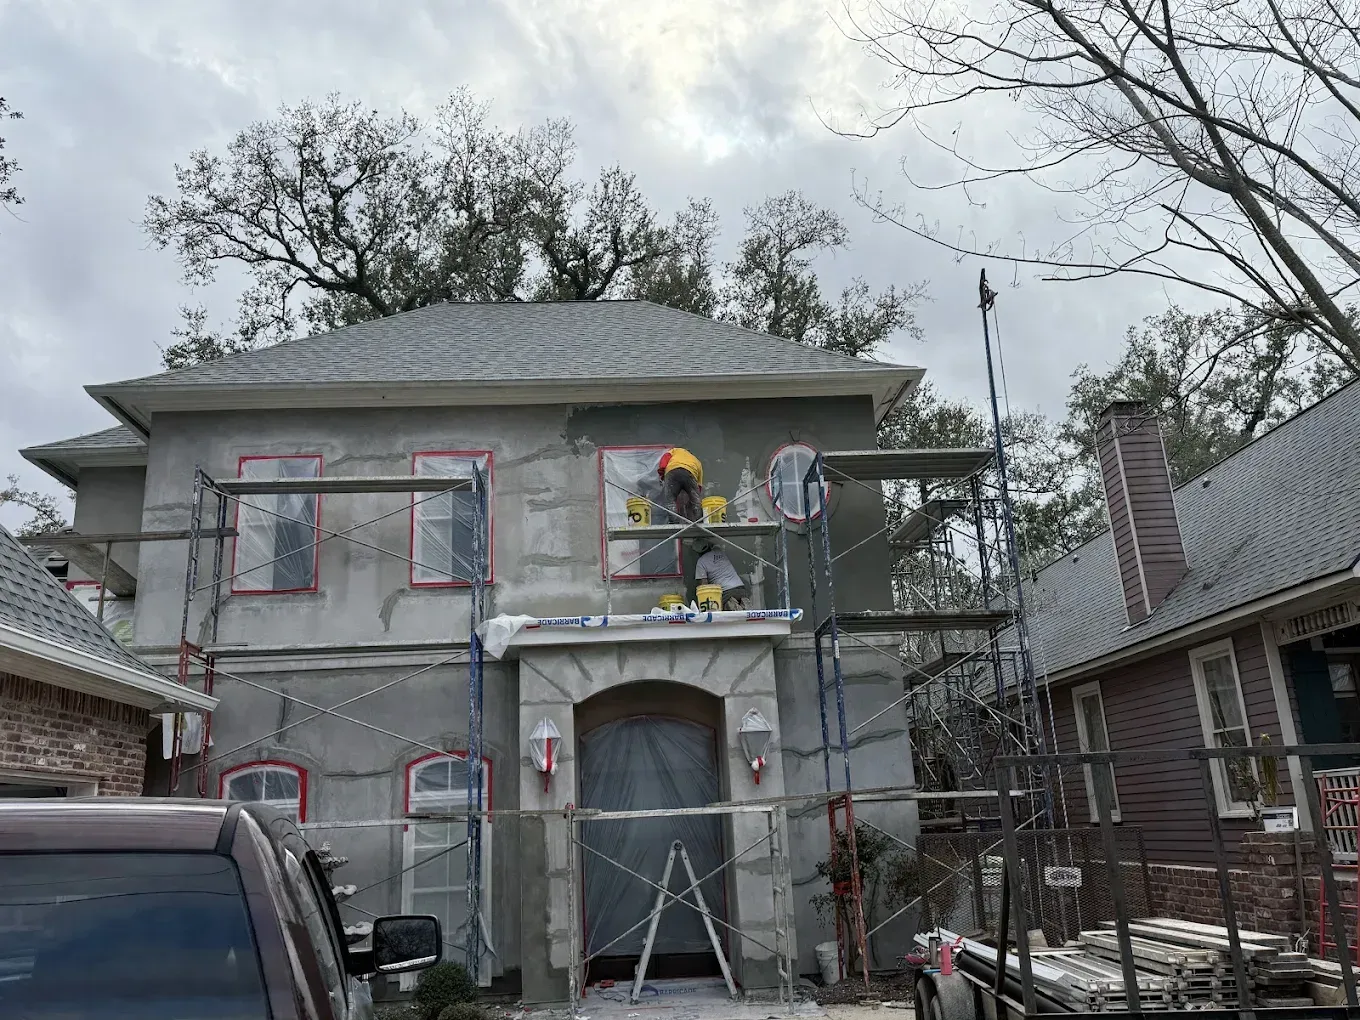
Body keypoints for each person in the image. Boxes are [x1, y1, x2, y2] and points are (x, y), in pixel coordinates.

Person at [694, 541, 750, 611]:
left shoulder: (701, 561)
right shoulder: (721, 552)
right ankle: (743, 603)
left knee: (726, 615)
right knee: (745, 616)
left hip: (726, 593)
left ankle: (732, 604)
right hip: (741, 588)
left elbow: (704, 585)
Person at [656, 447, 703, 522]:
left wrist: (662, 474)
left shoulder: (675, 450)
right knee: (695, 500)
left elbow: (665, 459)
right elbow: (699, 486)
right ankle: (699, 520)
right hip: (690, 472)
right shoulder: (697, 461)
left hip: (673, 471)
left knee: (670, 500)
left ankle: (674, 522)